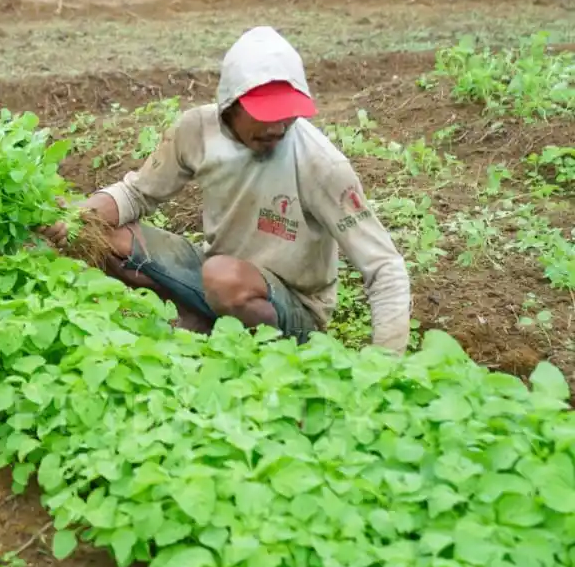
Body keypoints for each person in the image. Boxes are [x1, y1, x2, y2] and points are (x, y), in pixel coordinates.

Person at [43, 26, 412, 353]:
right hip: (216, 277)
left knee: (223, 277)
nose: (278, 127)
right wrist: (76, 218)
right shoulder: (197, 131)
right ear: (231, 104)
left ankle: (255, 350)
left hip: (291, 307)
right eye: (266, 114)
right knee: (106, 237)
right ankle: (203, 324)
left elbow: (384, 266)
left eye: (287, 114)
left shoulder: (321, 166)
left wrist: (385, 364)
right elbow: (138, 193)